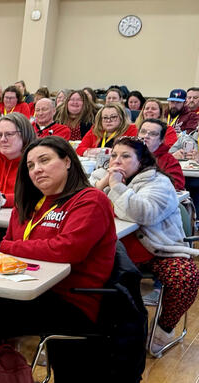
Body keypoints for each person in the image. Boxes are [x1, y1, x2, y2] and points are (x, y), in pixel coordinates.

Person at [0, 136, 117, 382]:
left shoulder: (91, 200)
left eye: (44, 160)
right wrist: (7, 249)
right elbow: (10, 248)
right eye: (30, 165)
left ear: (67, 161)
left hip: (71, 299)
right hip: (21, 286)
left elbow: (67, 249)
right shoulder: (29, 204)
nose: (36, 169)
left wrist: (9, 247)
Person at [91, 136, 199, 353]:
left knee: (185, 277)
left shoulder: (158, 181)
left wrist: (115, 187)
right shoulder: (100, 175)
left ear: (140, 161)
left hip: (157, 251)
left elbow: (142, 213)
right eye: (114, 155)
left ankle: (163, 328)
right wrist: (101, 185)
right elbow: (81, 206)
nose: (117, 161)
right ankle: (100, 329)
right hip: (113, 252)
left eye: (125, 156)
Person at [137, 119, 184, 191]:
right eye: (143, 132)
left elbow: (176, 184)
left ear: (161, 140)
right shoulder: (127, 155)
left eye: (153, 134)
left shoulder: (169, 160)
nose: (146, 136)